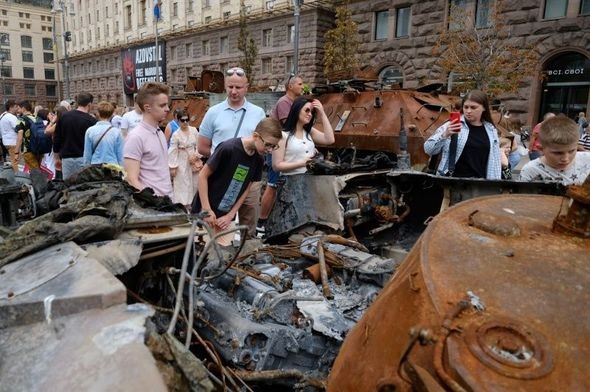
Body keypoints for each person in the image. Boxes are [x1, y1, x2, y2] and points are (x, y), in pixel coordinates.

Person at [197, 66, 266, 238]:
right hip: (221, 177)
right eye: (230, 87)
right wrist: (222, 161)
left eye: (238, 87)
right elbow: (202, 147)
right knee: (218, 224)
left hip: (248, 176)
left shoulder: (258, 113)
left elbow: (263, 144)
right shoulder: (213, 112)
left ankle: (246, 252)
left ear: (247, 87)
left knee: (248, 221)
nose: (233, 91)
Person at [192, 118, 282, 240]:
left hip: (226, 217)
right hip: (204, 210)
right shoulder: (229, 148)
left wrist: (231, 215)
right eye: (268, 145)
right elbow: (203, 175)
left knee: (223, 253)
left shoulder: (259, 159)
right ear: (256, 136)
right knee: (200, 251)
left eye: (274, 146)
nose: (270, 150)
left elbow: (246, 189)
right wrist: (206, 209)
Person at [257, 74, 305, 236]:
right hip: (277, 150)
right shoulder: (285, 102)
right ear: (290, 86)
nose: (302, 86)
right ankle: (261, 223)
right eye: (299, 83)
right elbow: (288, 125)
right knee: (272, 185)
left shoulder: (293, 103)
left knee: (278, 186)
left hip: (285, 150)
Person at [424, 90, 501, 179]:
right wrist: (444, 135)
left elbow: (495, 162)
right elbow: (428, 149)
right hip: (454, 183)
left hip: (481, 185)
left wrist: (495, 185)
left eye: (473, 107)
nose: (468, 111)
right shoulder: (452, 125)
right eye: (466, 107)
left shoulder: (491, 130)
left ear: (484, 108)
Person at [124, 82, 173, 198]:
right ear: (147, 107)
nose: (167, 109)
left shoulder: (159, 132)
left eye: (167, 105)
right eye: (162, 105)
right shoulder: (135, 137)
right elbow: (131, 180)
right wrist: (153, 202)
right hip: (153, 207)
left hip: (168, 200)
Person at [272, 97, 335, 175]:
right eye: (307, 110)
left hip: (310, 180)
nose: (310, 114)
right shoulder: (283, 135)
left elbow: (330, 139)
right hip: (291, 182)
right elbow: (276, 166)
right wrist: (301, 163)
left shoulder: (309, 131)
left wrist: (322, 113)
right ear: (297, 110)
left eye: (311, 112)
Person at [520, 116, 590, 185]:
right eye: (558, 153)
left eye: (571, 151)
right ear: (541, 149)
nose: (565, 159)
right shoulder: (530, 171)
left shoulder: (587, 159)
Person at [53, 92, 97, 179]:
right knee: (83, 187)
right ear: (89, 104)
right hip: (84, 158)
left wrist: (56, 157)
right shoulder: (92, 121)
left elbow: (57, 138)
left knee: (67, 186)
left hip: (67, 158)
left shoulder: (64, 116)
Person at [168, 110, 202, 210]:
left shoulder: (194, 130)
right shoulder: (176, 134)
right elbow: (172, 151)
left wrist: (196, 155)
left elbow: (199, 145)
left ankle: (195, 205)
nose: (185, 122)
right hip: (181, 161)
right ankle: (183, 207)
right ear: (178, 121)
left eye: (187, 120)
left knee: (195, 183)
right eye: (183, 120)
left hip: (194, 160)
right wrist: (173, 166)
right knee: (183, 184)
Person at [83, 101, 124, 167]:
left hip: (96, 165)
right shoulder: (116, 132)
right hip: (113, 166)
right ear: (111, 114)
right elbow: (120, 154)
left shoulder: (90, 131)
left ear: (98, 113)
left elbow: (87, 154)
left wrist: (86, 167)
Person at [15, 101, 42, 170]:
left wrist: (16, 152)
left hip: (28, 150)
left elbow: (20, 138)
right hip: (40, 148)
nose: (17, 110)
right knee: (38, 169)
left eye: (19, 108)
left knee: (35, 172)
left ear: (23, 108)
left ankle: (40, 181)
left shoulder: (21, 119)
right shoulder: (37, 118)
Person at [0, 100, 21, 172]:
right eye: (15, 107)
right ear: (10, 108)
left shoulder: (3, 115)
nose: (17, 108)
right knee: (15, 161)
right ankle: (17, 178)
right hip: (13, 142)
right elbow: (19, 129)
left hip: (6, 141)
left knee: (13, 161)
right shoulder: (11, 117)